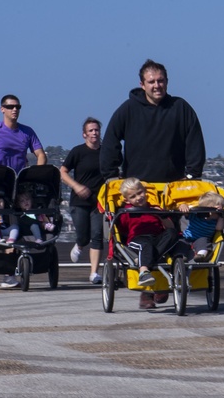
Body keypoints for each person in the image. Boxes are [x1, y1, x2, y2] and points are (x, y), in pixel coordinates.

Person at [101, 60, 206, 308]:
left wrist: (192, 175)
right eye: (152, 82)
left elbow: (195, 141)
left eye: (161, 81)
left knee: (169, 235)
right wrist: (111, 175)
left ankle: (165, 282)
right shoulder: (127, 110)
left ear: (167, 82)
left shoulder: (181, 108)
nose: (157, 85)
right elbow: (111, 141)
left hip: (172, 187)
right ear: (142, 84)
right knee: (143, 236)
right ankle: (147, 290)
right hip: (138, 188)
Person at [116, 178, 180, 308]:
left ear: (145, 192)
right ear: (127, 200)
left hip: (157, 239)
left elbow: (169, 227)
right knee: (146, 245)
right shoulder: (126, 212)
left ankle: (147, 261)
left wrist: (162, 216)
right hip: (137, 239)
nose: (138, 198)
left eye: (140, 193)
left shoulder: (155, 208)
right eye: (133, 196)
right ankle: (144, 271)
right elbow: (121, 231)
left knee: (173, 233)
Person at [61, 117, 105, 285]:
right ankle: (79, 245)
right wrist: (77, 186)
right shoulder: (77, 152)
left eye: (97, 130)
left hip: (99, 202)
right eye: (91, 130)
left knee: (97, 235)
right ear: (84, 134)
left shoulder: (106, 152)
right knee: (84, 235)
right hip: (79, 201)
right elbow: (63, 172)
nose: (94, 133)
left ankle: (94, 273)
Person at [179, 191, 224, 262]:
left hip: (201, 239)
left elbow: (219, 228)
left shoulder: (216, 220)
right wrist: (183, 206)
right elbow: (185, 213)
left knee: (204, 242)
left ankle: (201, 255)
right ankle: (181, 255)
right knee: (181, 243)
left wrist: (221, 215)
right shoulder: (196, 215)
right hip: (187, 237)